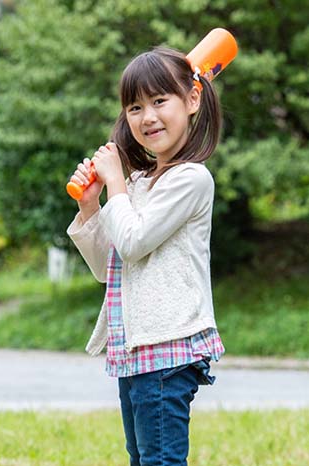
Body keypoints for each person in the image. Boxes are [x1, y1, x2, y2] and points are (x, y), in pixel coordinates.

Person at [66, 46, 225, 466]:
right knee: (142, 459)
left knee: (160, 462)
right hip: (135, 350)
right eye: (135, 107)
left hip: (168, 348)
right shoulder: (137, 183)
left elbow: (134, 240)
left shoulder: (191, 179)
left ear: (192, 100)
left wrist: (116, 182)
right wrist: (91, 206)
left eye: (160, 101)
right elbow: (110, 266)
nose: (148, 116)